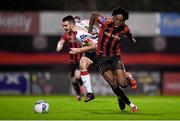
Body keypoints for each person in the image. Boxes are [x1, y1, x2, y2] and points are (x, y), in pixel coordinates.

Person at [88, 7, 138, 112]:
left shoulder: (125, 28)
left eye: (121, 20)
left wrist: (131, 39)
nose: (118, 22)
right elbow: (93, 14)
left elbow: (129, 34)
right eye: (116, 19)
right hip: (101, 58)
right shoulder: (105, 21)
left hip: (115, 57)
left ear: (124, 21)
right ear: (113, 17)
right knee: (113, 84)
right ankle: (128, 102)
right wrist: (89, 29)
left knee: (123, 84)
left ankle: (127, 76)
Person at [57, 15, 99, 102]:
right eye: (63, 26)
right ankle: (79, 94)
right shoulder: (68, 35)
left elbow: (91, 19)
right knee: (73, 79)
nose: (64, 27)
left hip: (83, 56)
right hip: (72, 60)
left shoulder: (79, 33)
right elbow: (61, 40)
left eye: (66, 25)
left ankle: (85, 90)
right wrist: (59, 45)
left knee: (77, 75)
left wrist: (79, 49)